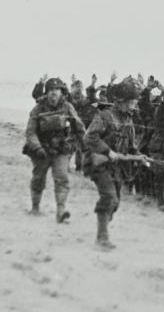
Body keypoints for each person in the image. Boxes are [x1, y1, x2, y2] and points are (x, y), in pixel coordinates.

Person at [83, 79, 143, 249]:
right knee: (109, 198)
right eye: (131, 102)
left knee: (115, 203)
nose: (133, 106)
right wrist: (108, 152)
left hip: (117, 167)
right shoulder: (105, 117)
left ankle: (103, 223)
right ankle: (101, 238)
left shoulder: (128, 120)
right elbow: (89, 137)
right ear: (120, 101)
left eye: (135, 102)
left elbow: (131, 146)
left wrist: (139, 156)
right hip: (99, 164)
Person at [24, 77, 86, 223]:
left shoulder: (67, 107)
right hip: (42, 150)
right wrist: (37, 147)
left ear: (62, 92)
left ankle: (61, 211)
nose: (54, 93)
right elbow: (30, 132)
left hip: (61, 150)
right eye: (51, 90)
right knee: (38, 178)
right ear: (46, 92)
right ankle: (35, 207)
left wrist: (85, 146)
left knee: (62, 178)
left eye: (57, 90)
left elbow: (79, 127)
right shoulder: (38, 109)